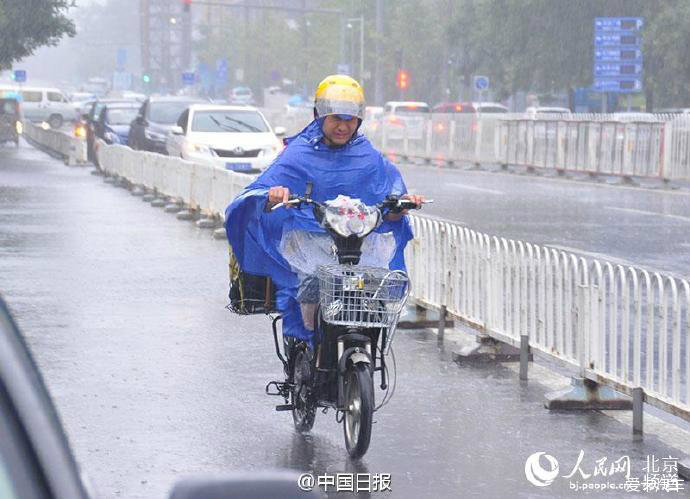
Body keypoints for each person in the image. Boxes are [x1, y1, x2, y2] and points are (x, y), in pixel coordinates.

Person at [225, 74, 423, 351]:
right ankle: (305, 352)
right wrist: (273, 196)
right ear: (319, 116)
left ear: (360, 120)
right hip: (308, 244)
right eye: (336, 119)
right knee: (307, 295)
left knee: (373, 300)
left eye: (350, 119)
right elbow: (262, 195)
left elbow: (388, 208)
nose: (343, 126)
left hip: (358, 246)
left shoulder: (368, 157)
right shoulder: (298, 153)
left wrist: (401, 205)